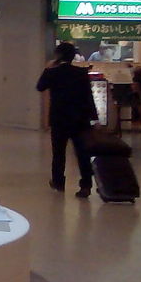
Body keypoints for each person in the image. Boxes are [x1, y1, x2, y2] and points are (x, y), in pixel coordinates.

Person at [36, 42, 99, 198]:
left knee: (59, 153)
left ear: (58, 55)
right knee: (82, 153)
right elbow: (88, 97)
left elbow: (40, 86)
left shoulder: (53, 73)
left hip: (59, 118)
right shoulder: (81, 73)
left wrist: (48, 68)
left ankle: (58, 182)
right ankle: (86, 185)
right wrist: (94, 118)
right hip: (80, 119)